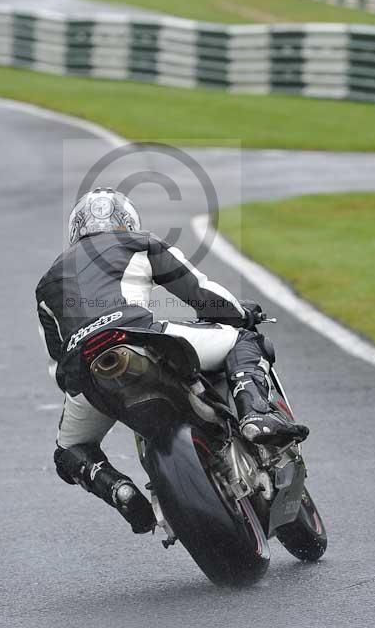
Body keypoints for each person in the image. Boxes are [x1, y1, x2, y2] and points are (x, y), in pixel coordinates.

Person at [36, 187, 309, 534]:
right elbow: (199, 292)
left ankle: (117, 488)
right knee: (242, 340)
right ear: (127, 221)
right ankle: (255, 414)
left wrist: (80, 382)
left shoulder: (46, 283)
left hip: (86, 369)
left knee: (68, 451)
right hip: (138, 336)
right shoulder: (139, 242)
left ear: (76, 229)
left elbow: (58, 364)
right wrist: (241, 314)